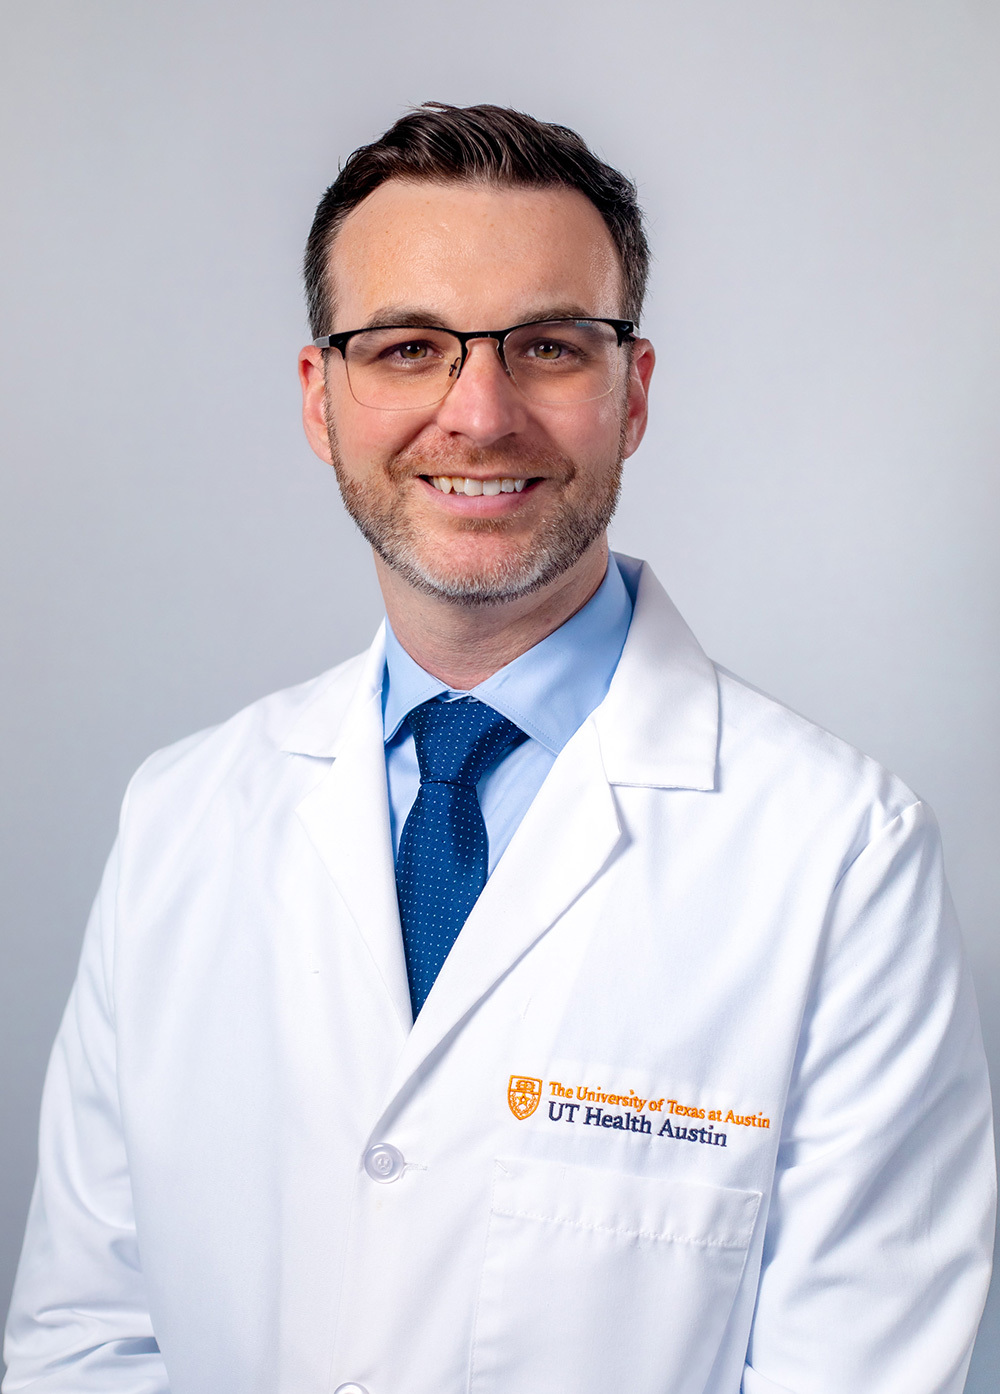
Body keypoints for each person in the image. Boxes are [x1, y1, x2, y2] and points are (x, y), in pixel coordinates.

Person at [3, 102, 994, 1394]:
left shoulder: (839, 854)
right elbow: (88, 1338)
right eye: (408, 346)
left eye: (546, 345)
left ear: (632, 393)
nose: (477, 414)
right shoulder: (184, 813)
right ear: (323, 399)